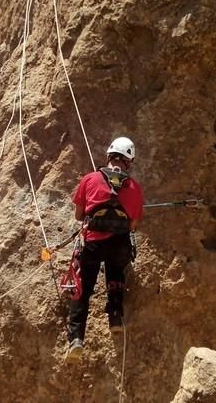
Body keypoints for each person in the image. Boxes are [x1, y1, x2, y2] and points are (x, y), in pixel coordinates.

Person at [66, 136, 144, 362]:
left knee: (83, 289)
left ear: (109, 156)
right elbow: (133, 225)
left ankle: (76, 340)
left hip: (92, 243)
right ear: (128, 161)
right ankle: (116, 317)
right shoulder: (135, 189)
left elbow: (79, 215)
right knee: (116, 272)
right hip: (118, 244)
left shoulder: (90, 179)